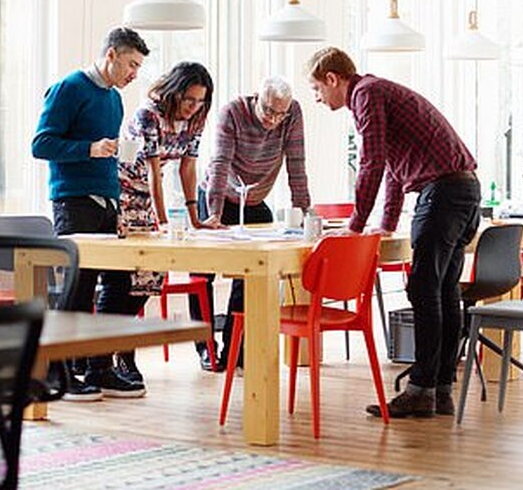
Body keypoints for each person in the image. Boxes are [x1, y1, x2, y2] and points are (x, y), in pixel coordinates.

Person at [305, 47, 479, 419]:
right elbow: (393, 168)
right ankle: (440, 391)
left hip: (443, 194)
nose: (317, 98)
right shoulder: (378, 92)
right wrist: (385, 222)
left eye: (317, 89)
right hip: (464, 190)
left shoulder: (366, 95)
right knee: (443, 290)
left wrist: (355, 225)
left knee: (424, 290)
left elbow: (372, 161)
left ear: (332, 79)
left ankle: (420, 391)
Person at [32, 26, 150, 400]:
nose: (135, 73)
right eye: (131, 64)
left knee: (117, 286)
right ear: (111, 54)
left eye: (139, 67)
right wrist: (89, 148)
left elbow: (107, 154)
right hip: (74, 203)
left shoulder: (114, 100)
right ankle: (60, 373)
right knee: (78, 289)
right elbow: (41, 144)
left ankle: (100, 368)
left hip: (108, 203)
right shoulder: (69, 88)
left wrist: (117, 200)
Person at [191, 75, 311, 371]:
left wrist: (304, 214)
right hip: (219, 194)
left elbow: (296, 165)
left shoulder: (292, 113)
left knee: (250, 274)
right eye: (268, 110)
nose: (273, 119)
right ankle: (206, 348)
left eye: (280, 114)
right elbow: (220, 164)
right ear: (256, 98)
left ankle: (236, 347)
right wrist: (214, 214)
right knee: (202, 273)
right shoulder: (232, 112)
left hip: (254, 200)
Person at [114, 61, 214, 383]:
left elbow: (188, 167)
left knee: (151, 278)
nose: (193, 106)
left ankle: (113, 345)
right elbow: (154, 171)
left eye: (200, 101)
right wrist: (161, 221)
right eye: (189, 99)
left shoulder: (196, 118)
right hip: (124, 192)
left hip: (149, 195)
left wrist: (195, 217)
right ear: (175, 93)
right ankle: (121, 353)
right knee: (129, 278)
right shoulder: (149, 115)